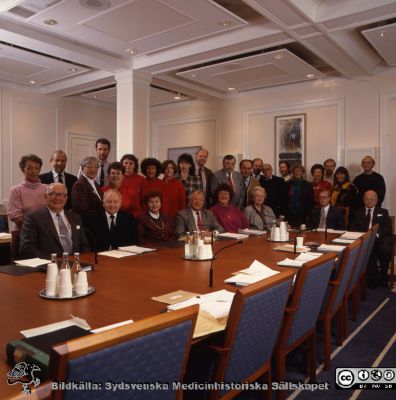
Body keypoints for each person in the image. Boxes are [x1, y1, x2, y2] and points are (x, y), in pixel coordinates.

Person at [19, 183, 89, 259]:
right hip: (49, 266)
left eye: (61, 194)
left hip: (76, 264)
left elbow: (84, 246)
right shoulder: (33, 218)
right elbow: (27, 248)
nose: (57, 198)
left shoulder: (75, 218)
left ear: (66, 198)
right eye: (52, 194)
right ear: (46, 197)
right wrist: (53, 262)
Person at [349, 190, 394, 288]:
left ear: (376, 200)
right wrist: (364, 236)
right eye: (367, 199)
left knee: (385, 250)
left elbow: (387, 229)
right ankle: (369, 278)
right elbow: (352, 228)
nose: (369, 201)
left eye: (372, 199)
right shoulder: (358, 213)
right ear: (363, 200)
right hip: (364, 240)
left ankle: (383, 276)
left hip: (379, 239)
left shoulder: (383, 212)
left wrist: (375, 235)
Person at [8, 154, 47, 230]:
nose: (33, 171)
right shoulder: (16, 190)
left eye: (36, 168)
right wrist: (34, 227)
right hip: (24, 232)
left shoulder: (47, 188)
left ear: (40, 170)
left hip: (46, 231)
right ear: (23, 169)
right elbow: (15, 215)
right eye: (29, 168)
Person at [71, 156, 104, 224]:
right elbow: (83, 210)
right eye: (89, 167)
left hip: (97, 221)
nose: (93, 170)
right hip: (87, 223)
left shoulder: (95, 184)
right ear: (82, 168)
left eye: (96, 167)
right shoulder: (79, 185)